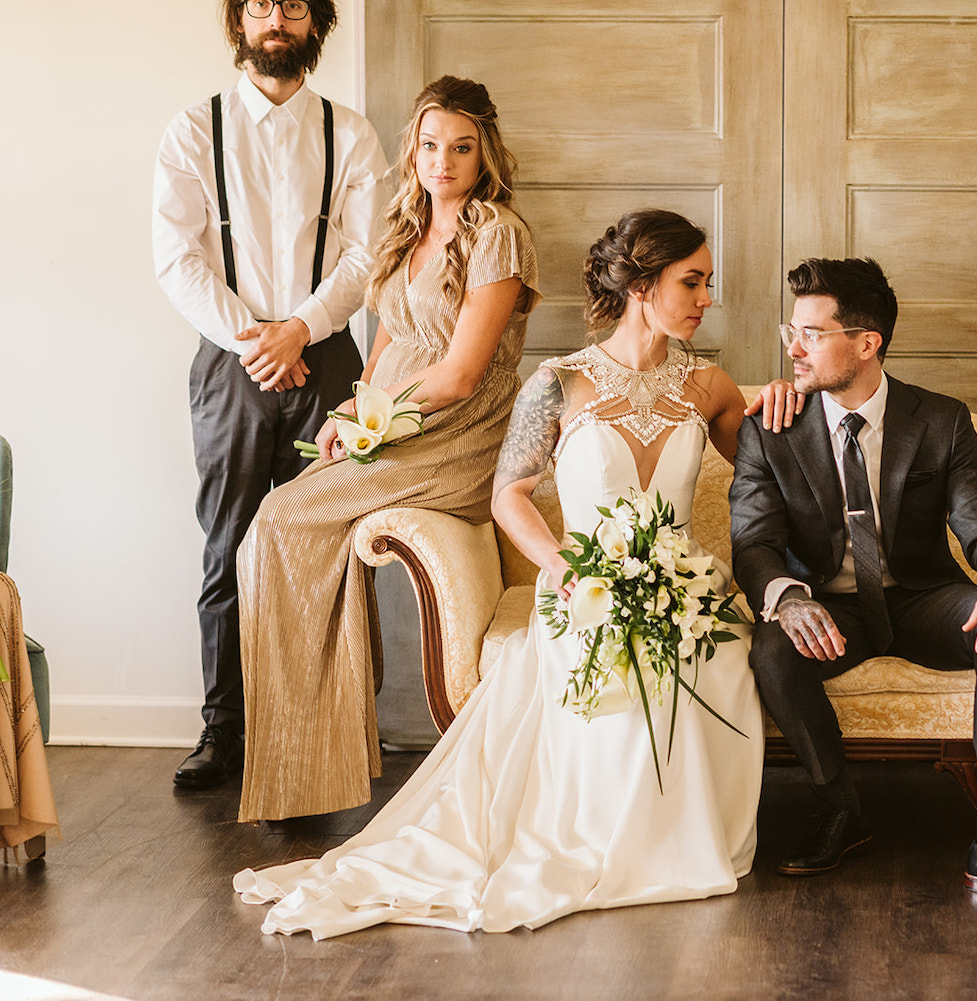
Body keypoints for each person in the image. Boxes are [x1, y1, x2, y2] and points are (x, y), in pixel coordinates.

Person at [235, 208, 799, 936]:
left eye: (706, 283)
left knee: (716, 655)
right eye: (692, 282)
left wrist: (786, 398)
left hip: (685, 588)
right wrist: (566, 565)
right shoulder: (558, 383)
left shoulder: (709, 386)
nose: (706, 298)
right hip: (582, 582)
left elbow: (769, 479)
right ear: (642, 284)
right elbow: (509, 496)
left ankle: (675, 843)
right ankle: (597, 841)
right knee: (605, 657)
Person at [729, 257, 977, 909]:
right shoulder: (768, 427)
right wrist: (786, 596)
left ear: (867, 343)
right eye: (793, 329)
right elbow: (752, 542)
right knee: (772, 649)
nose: (792, 346)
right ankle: (841, 811)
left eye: (811, 332)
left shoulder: (941, 420)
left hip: (921, 598)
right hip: (830, 608)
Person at [235, 76, 541, 822]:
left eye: (462, 148)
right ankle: (308, 758)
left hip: (458, 434)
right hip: (388, 420)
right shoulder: (404, 227)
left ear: (484, 154)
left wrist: (374, 422)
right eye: (432, 146)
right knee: (272, 538)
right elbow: (391, 342)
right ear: (414, 151)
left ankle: (309, 764)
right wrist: (348, 409)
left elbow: (463, 373)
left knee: (279, 520)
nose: (444, 161)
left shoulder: (497, 232)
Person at [153, 0, 387, 791]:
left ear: (316, 21)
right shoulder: (193, 130)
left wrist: (304, 328)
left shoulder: (351, 134)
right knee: (228, 546)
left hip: (327, 364)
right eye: (260, 5)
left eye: (291, 5)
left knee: (326, 549)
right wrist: (261, 337)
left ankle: (323, 727)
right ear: (239, 20)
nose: (274, 20)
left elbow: (367, 254)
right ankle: (224, 729)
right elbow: (176, 259)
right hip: (231, 363)